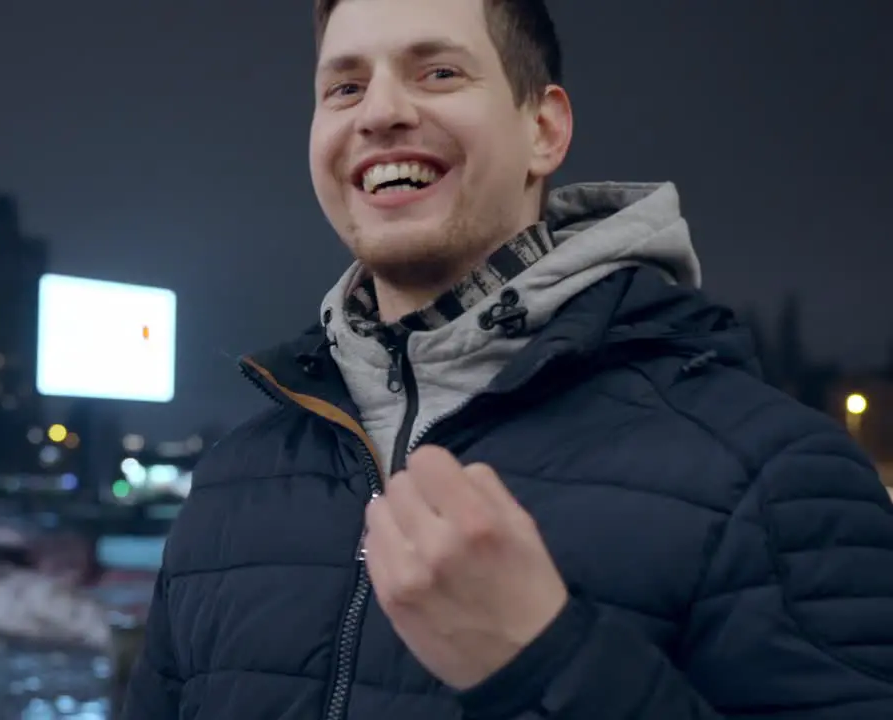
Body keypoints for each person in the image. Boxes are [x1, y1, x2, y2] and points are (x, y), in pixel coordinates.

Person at [123, 0, 893, 717]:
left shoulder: (773, 473)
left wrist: (550, 663)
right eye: (346, 86)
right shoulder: (231, 485)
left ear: (544, 130)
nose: (382, 112)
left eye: (440, 72)